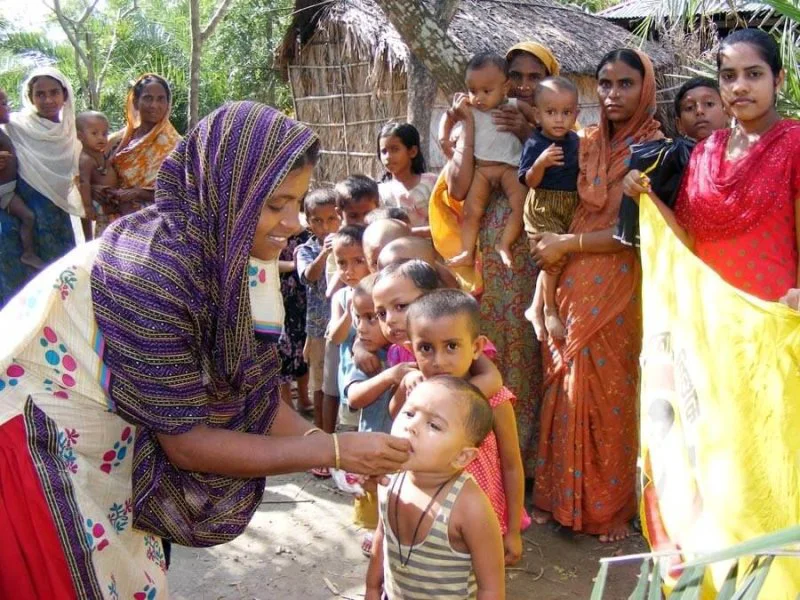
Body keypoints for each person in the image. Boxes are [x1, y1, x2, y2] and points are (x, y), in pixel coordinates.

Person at [0, 102, 409, 598]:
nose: (291, 223)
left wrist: (338, 449)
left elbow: (254, 392)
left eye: (296, 203)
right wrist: (335, 449)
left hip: (106, 439)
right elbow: (187, 442)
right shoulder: (152, 271)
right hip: (33, 445)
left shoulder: (237, 252)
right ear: (227, 190)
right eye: (274, 203)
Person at [530, 49, 663, 542]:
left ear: (644, 88)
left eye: (625, 84)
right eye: (605, 83)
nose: (612, 94)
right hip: (566, 280)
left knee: (609, 390)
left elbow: (638, 234)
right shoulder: (582, 143)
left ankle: (607, 507)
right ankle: (557, 497)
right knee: (564, 387)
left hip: (619, 283)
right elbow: (549, 204)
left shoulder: (656, 149)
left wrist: (567, 244)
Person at [430, 41, 560, 483]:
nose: (524, 87)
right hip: (487, 266)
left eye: (533, 78)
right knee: (487, 352)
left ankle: (528, 463)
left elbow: (565, 190)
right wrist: (466, 129)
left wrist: (530, 136)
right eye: (517, 76)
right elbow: (462, 189)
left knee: (531, 353)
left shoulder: (562, 129)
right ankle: (481, 460)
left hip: (537, 267)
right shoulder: (480, 118)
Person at [628, 29, 799, 302]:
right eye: (729, 76)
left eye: (754, 74)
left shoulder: (794, 143)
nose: (739, 86)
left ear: (778, 79)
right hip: (711, 318)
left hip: (774, 319)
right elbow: (687, 239)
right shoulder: (705, 151)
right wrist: (643, 193)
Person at [395, 290, 530, 566]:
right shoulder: (419, 391)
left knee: (478, 579)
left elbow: (512, 465)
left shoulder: (494, 399)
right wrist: (402, 388)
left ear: (477, 348)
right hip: (425, 515)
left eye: (452, 346)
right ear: (411, 349)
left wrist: (513, 530)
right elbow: (394, 422)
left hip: (481, 520)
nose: (439, 361)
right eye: (426, 348)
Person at [365, 376, 505, 600]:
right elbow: (381, 538)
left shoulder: (470, 506)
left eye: (434, 425)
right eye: (409, 413)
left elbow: (491, 588)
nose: (411, 426)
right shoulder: (388, 478)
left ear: (462, 456)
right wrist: (372, 589)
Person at [0, 67, 83, 306]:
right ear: (30, 97)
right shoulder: (14, 126)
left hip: (56, 221)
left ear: (65, 95)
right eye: (40, 94)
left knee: (61, 290)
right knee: (21, 294)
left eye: (54, 92)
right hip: (18, 221)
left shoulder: (72, 132)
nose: (48, 100)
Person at [615, 77, 729, 248]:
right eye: (689, 108)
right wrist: (637, 184)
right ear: (679, 124)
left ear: (728, 112)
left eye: (709, 104)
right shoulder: (667, 159)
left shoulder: (748, 154)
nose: (699, 111)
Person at [441, 52, 531, 269]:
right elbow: (448, 115)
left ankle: (505, 243)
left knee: (521, 205)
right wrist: (444, 139)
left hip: (510, 168)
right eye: (473, 91)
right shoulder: (469, 108)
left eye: (486, 91)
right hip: (482, 169)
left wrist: (531, 122)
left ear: (505, 86)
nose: (478, 97)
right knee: (471, 212)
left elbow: (536, 117)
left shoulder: (514, 105)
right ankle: (466, 251)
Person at [519, 76, 581, 340]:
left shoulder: (576, 141)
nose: (558, 119)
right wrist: (541, 164)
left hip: (570, 205)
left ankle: (535, 306)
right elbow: (529, 181)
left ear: (575, 114)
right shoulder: (535, 144)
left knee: (560, 256)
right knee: (552, 257)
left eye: (566, 113)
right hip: (543, 205)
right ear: (537, 114)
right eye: (551, 112)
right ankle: (549, 311)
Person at [296, 189, 341, 441]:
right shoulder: (306, 249)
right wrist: (325, 253)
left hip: (347, 326)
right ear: (308, 221)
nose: (326, 226)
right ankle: (323, 440)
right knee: (321, 386)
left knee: (339, 383)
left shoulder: (350, 243)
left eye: (332, 218)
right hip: (319, 327)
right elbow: (309, 276)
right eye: (318, 220)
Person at [108, 73, 181, 214]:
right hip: (114, 216)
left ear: (168, 103)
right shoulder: (118, 141)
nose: (154, 105)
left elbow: (180, 192)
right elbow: (97, 172)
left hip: (156, 222)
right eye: (148, 98)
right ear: (135, 102)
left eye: (161, 99)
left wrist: (138, 193)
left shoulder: (176, 145)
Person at [0, 87, 46, 270]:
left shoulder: (7, 130)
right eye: (3, 104)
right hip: (3, 192)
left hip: (8, 190)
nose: (8, 107)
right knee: (28, 217)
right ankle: (28, 253)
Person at [377, 121, 436, 234]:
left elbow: (443, 225)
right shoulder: (380, 192)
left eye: (395, 149)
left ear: (412, 152)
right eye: (384, 151)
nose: (388, 157)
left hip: (429, 249)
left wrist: (410, 233)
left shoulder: (431, 183)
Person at [277, 229, 312, 413]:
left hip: (305, 297)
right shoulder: (273, 232)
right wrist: (293, 265)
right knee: (284, 348)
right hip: (281, 298)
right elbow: (264, 262)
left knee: (304, 348)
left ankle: (304, 398)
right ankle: (286, 402)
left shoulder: (308, 233)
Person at [76, 111, 120, 239]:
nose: (101, 137)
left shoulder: (99, 153)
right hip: (100, 203)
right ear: (80, 136)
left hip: (110, 200)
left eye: (104, 133)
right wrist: (88, 207)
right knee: (104, 233)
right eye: (94, 133)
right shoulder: (86, 159)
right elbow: (84, 183)